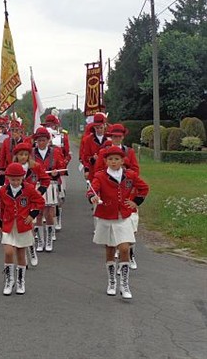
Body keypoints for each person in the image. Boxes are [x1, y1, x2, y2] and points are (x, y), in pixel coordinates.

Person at [88, 146, 149, 299]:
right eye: (110, 159)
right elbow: (92, 190)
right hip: (106, 216)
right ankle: (112, 281)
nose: (113, 162)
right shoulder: (100, 176)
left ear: (122, 161)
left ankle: (124, 283)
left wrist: (135, 202)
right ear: (105, 161)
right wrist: (92, 197)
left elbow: (144, 188)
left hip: (123, 216)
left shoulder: (130, 175)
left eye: (116, 159)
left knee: (124, 248)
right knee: (109, 249)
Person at [0, 163, 45, 295]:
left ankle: (20, 281)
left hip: (23, 225)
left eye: (18, 179)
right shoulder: (3, 190)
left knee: (20, 254)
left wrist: (32, 215)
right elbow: (1, 209)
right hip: (8, 225)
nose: (16, 182)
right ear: (8, 178)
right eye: (13, 179)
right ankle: (8, 280)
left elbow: (40, 201)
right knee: (8, 252)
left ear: (23, 178)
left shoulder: (29, 189)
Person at [10, 142, 50, 267]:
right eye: (21, 154)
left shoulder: (35, 167)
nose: (23, 157)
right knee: (18, 230)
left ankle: (31, 249)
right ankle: (23, 258)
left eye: (26, 155)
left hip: (30, 201)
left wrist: (39, 192)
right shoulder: (12, 167)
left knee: (30, 227)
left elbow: (45, 179)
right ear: (16, 156)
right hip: (17, 202)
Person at [32, 127, 66, 252]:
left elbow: (62, 166)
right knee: (38, 214)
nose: (41, 142)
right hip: (36, 186)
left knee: (50, 214)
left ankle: (49, 240)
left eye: (43, 140)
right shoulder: (31, 153)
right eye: (39, 140)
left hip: (51, 184)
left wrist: (56, 172)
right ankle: (40, 241)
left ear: (48, 140)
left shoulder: (55, 152)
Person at [81, 112, 108, 181]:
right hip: (93, 172)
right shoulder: (88, 139)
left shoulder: (109, 139)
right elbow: (85, 157)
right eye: (97, 128)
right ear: (94, 127)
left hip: (107, 172)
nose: (99, 130)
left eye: (101, 127)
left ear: (104, 126)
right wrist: (92, 158)